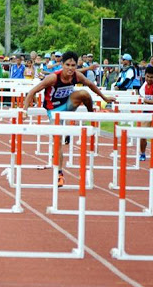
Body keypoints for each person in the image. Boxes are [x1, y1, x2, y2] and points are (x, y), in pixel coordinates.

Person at [23, 51, 115, 187]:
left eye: (73, 65)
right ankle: (59, 174)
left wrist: (105, 98)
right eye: (68, 65)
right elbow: (32, 92)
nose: (71, 68)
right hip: (54, 111)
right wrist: (25, 110)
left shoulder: (76, 75)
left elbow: (90, 84)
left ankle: (91, 117)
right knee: (58, 141)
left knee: (84, 93)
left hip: (68, 104)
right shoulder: (53, 78)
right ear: (62, 64)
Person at [138, 66, 153, 162]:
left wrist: (144, 100)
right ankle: (143, 153)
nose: (149, 79)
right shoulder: (144, 85)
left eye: (151, 77)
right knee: (142, 134)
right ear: (145, 75)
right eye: (147, 76)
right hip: (147, 111)